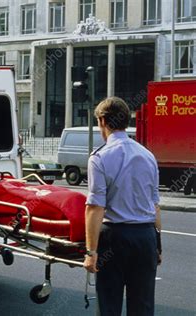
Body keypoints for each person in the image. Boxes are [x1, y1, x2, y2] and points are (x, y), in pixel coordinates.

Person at [83, 97, 162, 316]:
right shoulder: (148, 156)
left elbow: (95, 207)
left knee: (109, 304)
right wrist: (158, 244)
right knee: (143, 307)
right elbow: (155, 204)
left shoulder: (99, 157)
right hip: (145, 237)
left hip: (114, 238)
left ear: (102, 121)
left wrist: (91, 252)